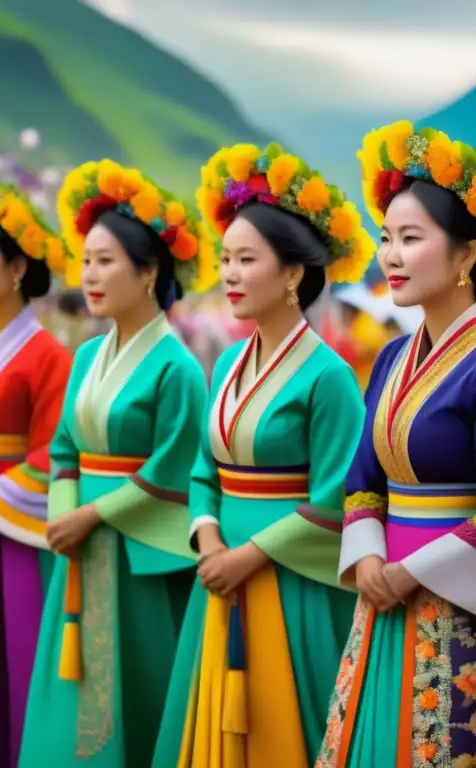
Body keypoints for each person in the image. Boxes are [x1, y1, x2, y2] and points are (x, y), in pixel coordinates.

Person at [315, 121, 476, 767]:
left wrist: (407, 570)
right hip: (384, 601)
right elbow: (363, 477)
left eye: (410, 239)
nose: (389, 255)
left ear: (467, 256)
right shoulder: (392, 357)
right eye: (386, 239)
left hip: (463, 619)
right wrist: (368, 559)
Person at [153, 143, 372, 765]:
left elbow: (338, 497)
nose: (229, 274)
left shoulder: (328, 376)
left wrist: (248, 555)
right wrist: (211, 540)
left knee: (287, 728)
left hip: (290, 579)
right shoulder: (224, 362)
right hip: (221, 573)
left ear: (294, 274)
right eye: (225, 259)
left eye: (247, 260)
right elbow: (203, 471)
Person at [20, 159, 217, 767]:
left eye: (106, 261)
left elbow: (171, 470)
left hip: (138, 558)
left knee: (138, 696)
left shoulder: (177, 367)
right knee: (69, 697)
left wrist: (89, 516)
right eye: (86, 261)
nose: (91, 276)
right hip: (80, 547)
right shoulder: (85, 357)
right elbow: (63, 451)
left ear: (149, 270)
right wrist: (61, 515)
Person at [0, 166, 72, 767]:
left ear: (18, 267)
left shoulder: (49, 355)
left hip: (3, 531)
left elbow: (50, 456)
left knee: (0, 670)